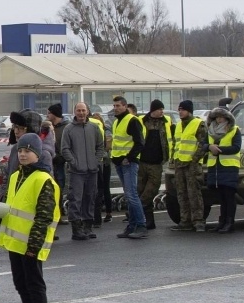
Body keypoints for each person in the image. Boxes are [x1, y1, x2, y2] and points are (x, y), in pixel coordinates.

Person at [0, 132, 59, 303]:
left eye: (28, 151)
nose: (23, 154)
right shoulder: (17, 176)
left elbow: (44, 216)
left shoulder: (43, 180)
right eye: (20, 150)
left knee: (35, 286)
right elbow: (12, 206)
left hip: (30, 244)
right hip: (15, 242)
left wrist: (33, 247)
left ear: (38, 154)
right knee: (22, 285)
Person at [60, 102, 106, 241]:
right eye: (78, 110)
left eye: (83, 110)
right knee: (75, 199)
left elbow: (100, 146)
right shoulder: (69, 129)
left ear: (87, 111)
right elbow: (65, 149)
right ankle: (76, 229)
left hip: (92, 171)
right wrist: (74, 162)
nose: (81, 113)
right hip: (76, 172)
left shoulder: (94, 128)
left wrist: (95, 161)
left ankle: (88, 226)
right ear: (74, 112)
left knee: (90, 198)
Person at [108, 96, 148, 239]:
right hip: (120, 162)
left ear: (125, 106)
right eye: (114, 106)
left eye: (118, 105)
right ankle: (132, 226)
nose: (116, 108)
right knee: (129, 195)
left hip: (128, 163)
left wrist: (129, 158)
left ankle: (141, 225)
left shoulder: (132, 120)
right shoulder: (117, 122)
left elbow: (140, 142)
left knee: (132, 195)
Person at [168, 100, 206, 231]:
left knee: (194, 193)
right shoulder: (178, 125)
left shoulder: (198, 124)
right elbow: (176, 143)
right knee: (181, 193)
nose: (180, 112)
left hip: (192, 165)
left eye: (182, 109)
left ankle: (198, 221)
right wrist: (173, 159)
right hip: (179, 163)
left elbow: (203, 144)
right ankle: (185, 220)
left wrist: (195, 159)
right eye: (179, 109)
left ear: (189, 111)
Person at [203, 106, 241, 233]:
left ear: (227, 118)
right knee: (221, 197)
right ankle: (222, 222)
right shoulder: (210, 130)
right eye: (217, 117)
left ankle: (230, 222)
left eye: (221, 117)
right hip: (215, 167)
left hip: (229, 167)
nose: (219, 119)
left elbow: (236, 147)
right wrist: (209, 147)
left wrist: (218, 150)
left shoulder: (234, 130)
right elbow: (203, 144)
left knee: (229, 196)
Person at [137, 99, 170, 219]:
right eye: (159, 109)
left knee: (151, 190)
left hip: (157, 163)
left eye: (162, 109)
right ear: (153, 110)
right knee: (140, 190)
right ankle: (148, 221)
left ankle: (136, 211)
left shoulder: (166, 121)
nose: (162, 111)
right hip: (142, 161)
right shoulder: (142, 120)